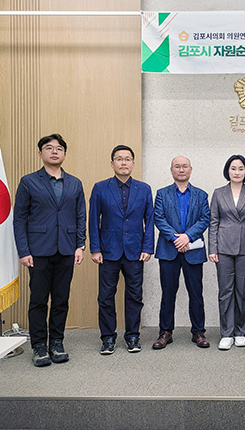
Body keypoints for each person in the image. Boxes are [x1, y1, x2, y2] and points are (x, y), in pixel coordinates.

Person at [13, 134, 86, 367]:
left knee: (61, 299)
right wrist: (23, 251)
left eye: (59, 148)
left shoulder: (75, 183)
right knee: (38, 300)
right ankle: (39, 346)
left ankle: (57, 342)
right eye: (49, 148)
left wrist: (80, 245)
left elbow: (80, 215)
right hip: (39, 251)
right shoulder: (28, 182)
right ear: (41, 153)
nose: (55, 152)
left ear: (64, 154)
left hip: (66, 249)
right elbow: (19, 219)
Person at [88, 145, 154, 355]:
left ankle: (133, 336)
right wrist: (95, 249)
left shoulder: (144, 189)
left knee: (135, 296)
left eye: (127, 159)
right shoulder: (100, 188)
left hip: (135, 251)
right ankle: (107, 338)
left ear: (133, 163)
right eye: (119, 159)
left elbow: (149, 220)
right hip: (108, 251)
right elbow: (93, 220)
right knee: (106, 296)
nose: (123, 163)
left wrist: (147, 248)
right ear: (112, 163)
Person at [152, 156, 211, 349]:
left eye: (185, 166)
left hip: (193, 250)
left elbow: (204, 219)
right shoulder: (162, 194)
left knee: (196, 293)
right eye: (177, 166)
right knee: (168, 292)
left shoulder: (201, 195)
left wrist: (187, 236)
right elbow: (159, 218)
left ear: (191, 169)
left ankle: (198, 332)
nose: (181, 169)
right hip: (169, 249)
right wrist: (177, 238)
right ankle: (165, 332)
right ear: (171, 170)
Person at [208, 155, 245, 350]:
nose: (237, 172)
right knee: (225, 291)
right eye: (233, 168)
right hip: (222, 248)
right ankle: (226, 333)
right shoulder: (218, 193)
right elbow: (213, 221)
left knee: (242, 291)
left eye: (241, 169)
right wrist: (212, 248)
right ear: (227, 171)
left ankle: (240, 331)